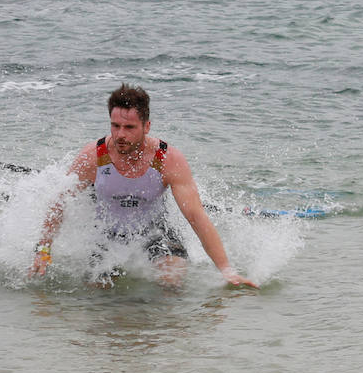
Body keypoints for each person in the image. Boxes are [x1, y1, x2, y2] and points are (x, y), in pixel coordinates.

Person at [29, 84, 258, 288]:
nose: (120, 135)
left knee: (172, 282)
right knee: (97, 296)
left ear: (146, 126)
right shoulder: (93, 157)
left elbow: (196, 216)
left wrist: (227, 271)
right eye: (115, 126)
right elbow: (59, 204)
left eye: (129, 127)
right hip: (107, 234)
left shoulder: (167, 160)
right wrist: (43, 251)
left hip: (155, 231)